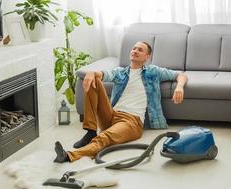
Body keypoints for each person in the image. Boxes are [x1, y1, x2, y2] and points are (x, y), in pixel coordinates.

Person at [53, 41, 188, 163]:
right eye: (134, 48)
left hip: (131, 121)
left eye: (140, 50)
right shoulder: (120, 72)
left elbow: (180, 75)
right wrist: (92, 73)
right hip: (111, 115)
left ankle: (69, 155)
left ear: (147, 57)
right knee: (93, 80)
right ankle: (90, 131)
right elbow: (103, 75)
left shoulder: (154, 72)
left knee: (104, 137)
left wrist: (179, 87)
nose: (135, 51)